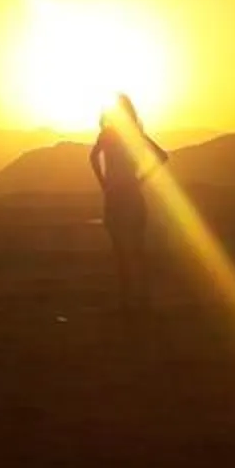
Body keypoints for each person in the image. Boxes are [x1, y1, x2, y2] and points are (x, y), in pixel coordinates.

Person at [91, 94, 168, 311]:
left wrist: (103, 182)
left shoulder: (107, 134)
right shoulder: (135, 134)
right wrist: (141, 179)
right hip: (133, 195)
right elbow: (162, 156)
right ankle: (141, 299)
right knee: (137, 249)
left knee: (120, 251)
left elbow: (92, 157)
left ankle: (127, 299)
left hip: (115, 196)